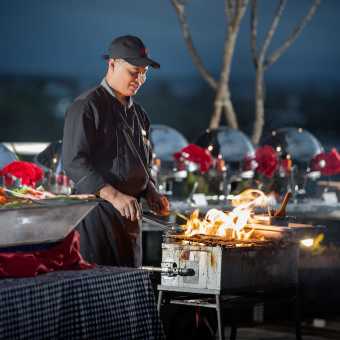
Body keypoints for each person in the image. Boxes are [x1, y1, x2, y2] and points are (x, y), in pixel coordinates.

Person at [62, 35, 169, 267]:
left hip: (130, 218)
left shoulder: (139, 114)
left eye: (144, 72)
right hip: (96, 217)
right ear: (112, 64)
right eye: (134, 72)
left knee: (128, 287)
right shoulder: (86, 106)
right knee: (98, 292)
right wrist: (115, 196)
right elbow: (73, 161)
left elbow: (142, 163)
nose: (140, 79)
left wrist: (150, 190)